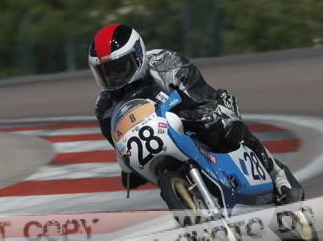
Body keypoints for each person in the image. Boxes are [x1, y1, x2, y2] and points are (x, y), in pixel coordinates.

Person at [89, 23, 294, 203]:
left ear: (138, 56)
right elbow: (122, 145)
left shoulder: (167, 63)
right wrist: (129, 169)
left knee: (226, 124)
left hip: (196, 111)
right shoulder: (105, 109)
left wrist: (200, 115)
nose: (114, 77)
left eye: (119, 67)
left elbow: (202, 99)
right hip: (161, 138)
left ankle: (276, 173)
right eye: (106, 72)